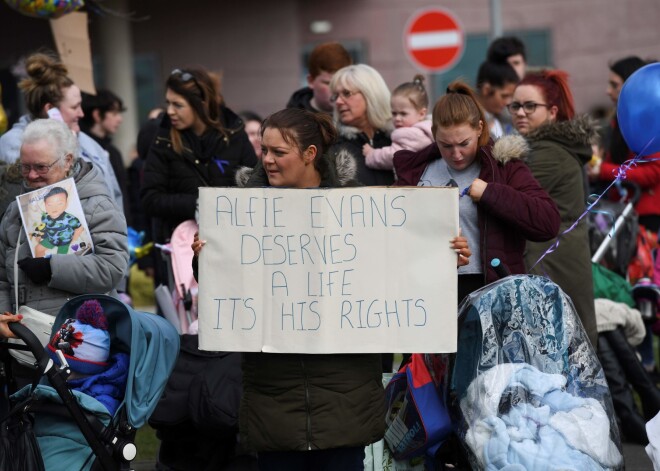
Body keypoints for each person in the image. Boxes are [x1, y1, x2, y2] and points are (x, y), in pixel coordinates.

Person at [192, 107, 469, 470]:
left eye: (279, 152)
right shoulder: (244, 214)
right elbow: (229, 285)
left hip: (344, 394)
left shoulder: (359, 210)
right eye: (265, 151)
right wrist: (207, 258)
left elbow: (399, 271)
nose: (268, 160)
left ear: (309, 155)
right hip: (275, 395)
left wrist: (444, 257)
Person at [394, 80, 560, 302]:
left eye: (464, 143)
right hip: (427, 291)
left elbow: (548, 222)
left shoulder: (503, 165)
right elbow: (395, 235)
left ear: (479, 128)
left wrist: (491, 194)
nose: (457, 154)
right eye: (446, 145)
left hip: (491, 291)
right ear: (434, 133)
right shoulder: (416, 171)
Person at [0, 119, 128, 385]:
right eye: (25, 167)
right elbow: (2, 277)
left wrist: (51, 268)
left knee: (68, 423)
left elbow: (113, 268)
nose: (32, 175)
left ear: (67, 160)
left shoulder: (96, 206)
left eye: (41, 167)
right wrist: (3, 320)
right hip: (22, 345)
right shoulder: (15, 212)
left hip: (77, 349)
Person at [140, 67, 258, 286]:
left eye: (178, 104)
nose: (170, 111)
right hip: (181, 253)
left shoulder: (234, 135)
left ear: (200, 104)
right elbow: (149, 198)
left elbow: (256, 189)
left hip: (234, 248)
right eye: (168, 103)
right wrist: (198, 203)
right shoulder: (163, 140)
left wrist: (224, 207)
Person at [510, 69, 598, 347]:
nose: (520, 112)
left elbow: (510, 200)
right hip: (552, 263)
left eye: (530, 106)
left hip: (553, 266)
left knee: (561, 359)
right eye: (515, 106)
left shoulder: (548, 153)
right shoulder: (540, 148)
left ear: (552, 112)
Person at [0, 52, 124, 211]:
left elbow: (114, 196)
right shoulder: (13, 145)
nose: (81, 113)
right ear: (51, 110)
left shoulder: (88, 143)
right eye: (74, 107)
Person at [329, 64, 394, 186]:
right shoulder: (331, 148)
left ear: (371, 94)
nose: (338, 101)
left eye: (347, 93)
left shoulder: (400, 140)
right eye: (335, 96)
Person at [362, 74, 433, 170]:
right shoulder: (428, 130)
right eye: (394, 113)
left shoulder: (410, 134)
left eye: (403, 114)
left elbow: (393, 156)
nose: (397, 118)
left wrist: (371, 154)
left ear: (421, 114)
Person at [81, 89, 131, 222]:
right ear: (97, 115)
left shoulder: (113, 152)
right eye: (114, 113)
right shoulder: (79, 150)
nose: (119, 119)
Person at [286, 42, 353, 114]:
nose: (337, 89)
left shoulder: (359, 117)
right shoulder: (292, 122)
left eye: (342, 82)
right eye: (329, 83)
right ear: (311, 81)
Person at [33, 186, 85, 257]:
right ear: (45, 205)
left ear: (66, 204)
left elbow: (80, 228)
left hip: (65, 242)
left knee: (61, 257)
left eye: (60, 203)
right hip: (51, 239)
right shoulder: (45, 217)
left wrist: (74, 240)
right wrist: (40, 235)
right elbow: (44, 227)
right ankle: (41, 266)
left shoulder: (70, 218)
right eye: (50, 205)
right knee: (37, 249)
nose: (54, 207)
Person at [475, 60, 519, 139]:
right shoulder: (470, 122)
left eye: (511, 96)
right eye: (504, 96)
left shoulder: (507, 119)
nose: (508, 102)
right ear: (486, 90)